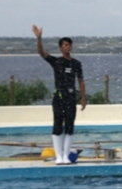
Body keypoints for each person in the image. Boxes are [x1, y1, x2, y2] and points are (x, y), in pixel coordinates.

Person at [32, 25, 86, 165]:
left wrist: (83, 98)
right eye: (66, 45)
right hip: (59, 97)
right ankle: (59, 156)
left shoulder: (76, 64)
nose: (68, 47)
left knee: (69, 126)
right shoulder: (56, 62)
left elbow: (80, 81)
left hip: (71, 96)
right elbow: (41, 52)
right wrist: (39, 38)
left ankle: (66, 156)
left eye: (70, 45)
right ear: (61, 47)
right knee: (57, 125)